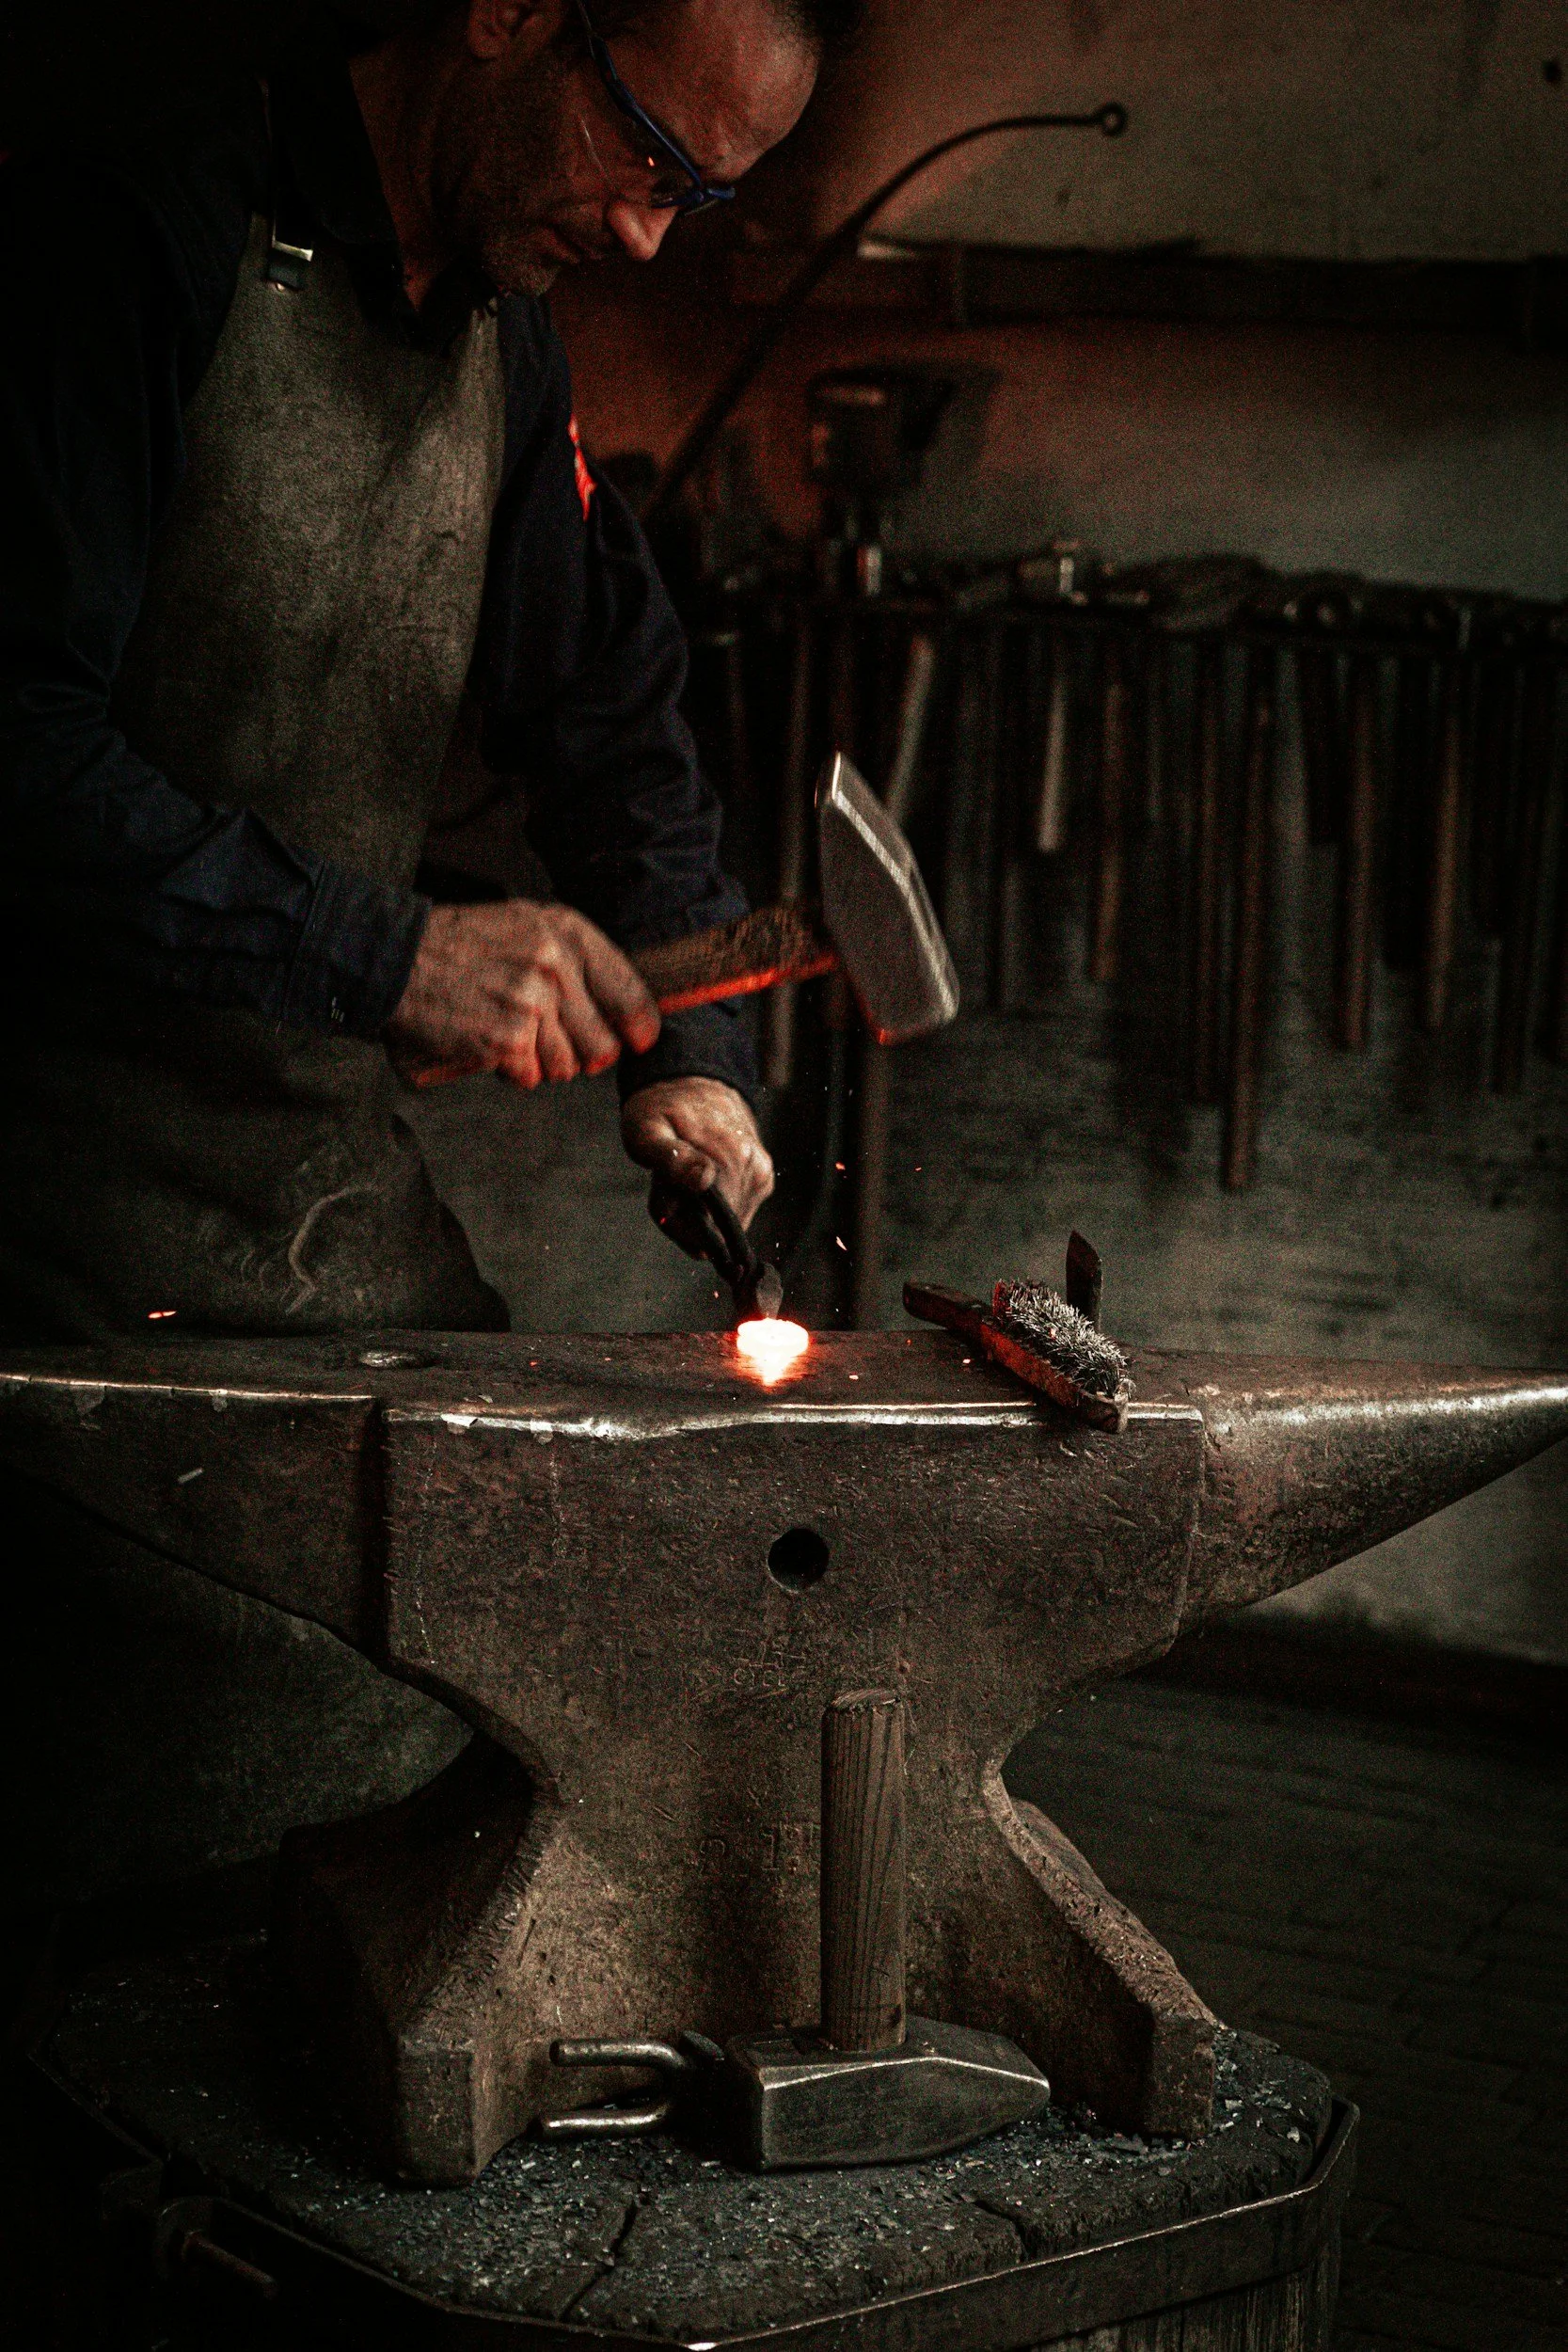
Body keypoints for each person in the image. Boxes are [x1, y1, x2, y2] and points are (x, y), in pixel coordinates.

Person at [0, 0, 852, 1337]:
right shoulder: (134, 226)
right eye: (638, 149)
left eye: (693, 193)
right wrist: (387, 955)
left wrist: (699, 1061)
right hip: (47, 1220)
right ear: (507, 13)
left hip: (307, 1206)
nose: (644, 233)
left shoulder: (498, 330)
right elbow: (16, 749)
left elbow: (609, 719)